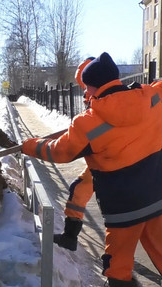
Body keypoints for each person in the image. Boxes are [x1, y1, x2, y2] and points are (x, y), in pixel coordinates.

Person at [21, 52, 162, 287]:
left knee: (118, 265)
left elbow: (60, 152)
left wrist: (29, 146)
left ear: (95, 87)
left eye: (86, 87)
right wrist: (144, 90)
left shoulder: (88, 123)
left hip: (124, 210)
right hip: (158, 198)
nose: (84, 93)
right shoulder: (150, 97)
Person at [53, 57, 95, 251]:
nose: (84, 91)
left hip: (115, 158)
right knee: (79, 190)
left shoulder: (107, 97)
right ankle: (69, 237)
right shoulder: (93, 97)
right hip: (102, 159)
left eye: (85, 86)